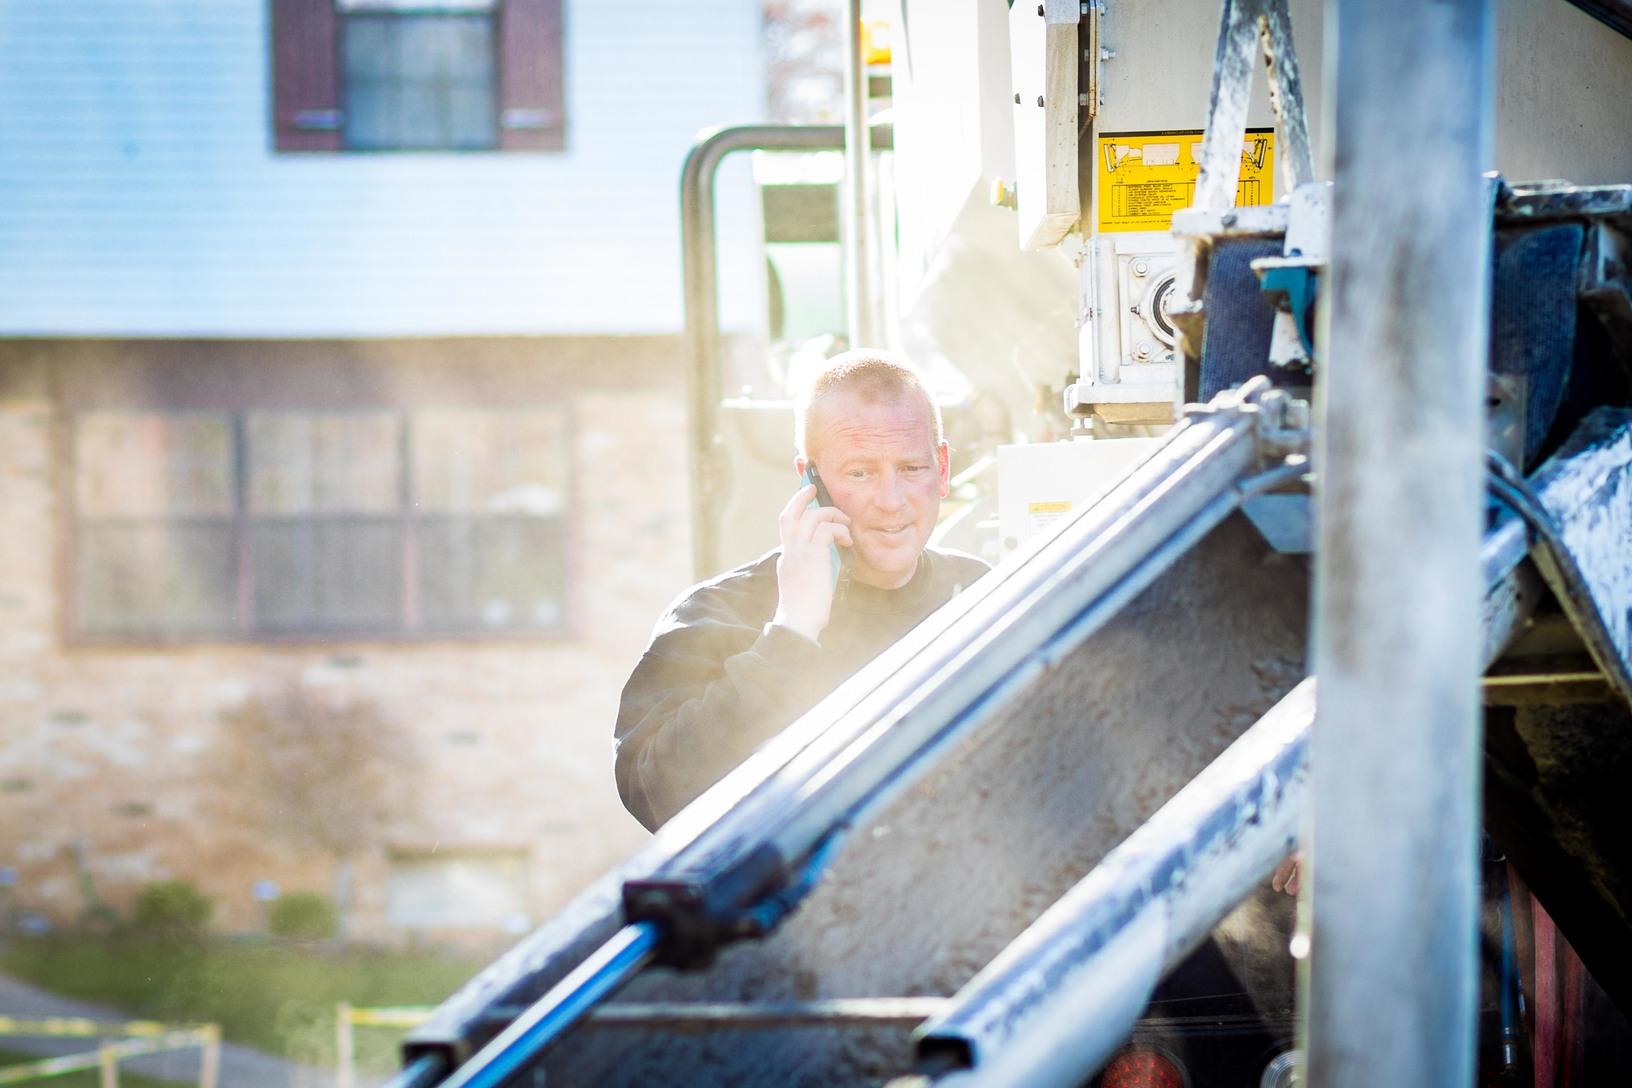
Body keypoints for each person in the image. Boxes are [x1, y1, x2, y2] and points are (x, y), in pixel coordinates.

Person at [614, 350, 990, 831]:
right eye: (860, 472)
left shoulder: (980, 594)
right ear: (809, 480)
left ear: (942, 467)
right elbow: (654, 793)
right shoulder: (719, 614)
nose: (892, 501)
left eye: (911, 468)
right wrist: (792, 631)